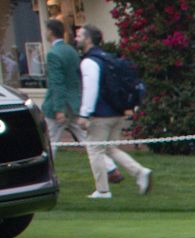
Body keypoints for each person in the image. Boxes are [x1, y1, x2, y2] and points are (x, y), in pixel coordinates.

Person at [75, 25, 151, 199]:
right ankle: (140, 172)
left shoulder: (89, 62)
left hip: (101, 115)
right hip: (117, 111)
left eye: (79, 35)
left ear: (88, 39)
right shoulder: (107, 58)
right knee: (110, 148)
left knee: (95, 150)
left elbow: (90, 89)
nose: (76, 38)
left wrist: (84, 114)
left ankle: (102, 190)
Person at [41, 20, 84, 153]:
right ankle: (108, 163)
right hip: (74, 103)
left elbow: (57, 82)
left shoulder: (53, 54)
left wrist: (59, 108)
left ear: (50, 32)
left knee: (50, 142)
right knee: (87, 140)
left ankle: (47, 167)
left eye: (46, 30)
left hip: (58, 106)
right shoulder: (71, 51)